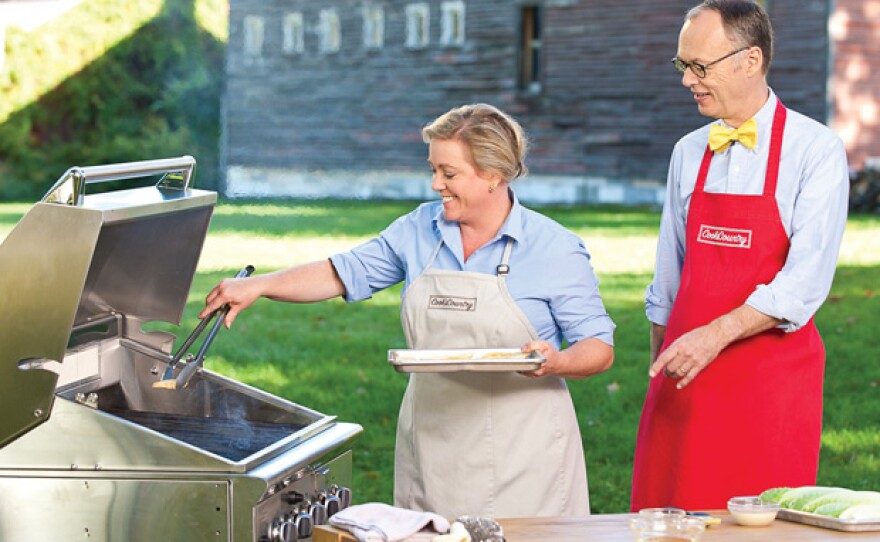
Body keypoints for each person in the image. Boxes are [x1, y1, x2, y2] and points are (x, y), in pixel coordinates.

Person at [202, 103, 615, 518]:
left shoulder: (554, 247)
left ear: (494, 175)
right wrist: (259, 285)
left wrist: (556, 361)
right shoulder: (420, 229)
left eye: (449, 173)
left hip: (524, 458)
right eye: (433, 169)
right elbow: (342, 273)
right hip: (432, 447)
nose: (436, 184)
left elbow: (599, 347)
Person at [631, 0, 849, 511]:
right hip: (684, 377)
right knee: (669, 516)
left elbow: (804, 283)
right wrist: (658, 376)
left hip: (768, 386)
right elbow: (668, 277)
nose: (688, 80)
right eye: (683, 65)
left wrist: (716, 334)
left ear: (750, 60)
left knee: (760, 520)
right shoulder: (687, 150)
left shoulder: (815, 150)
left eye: (699, 66)